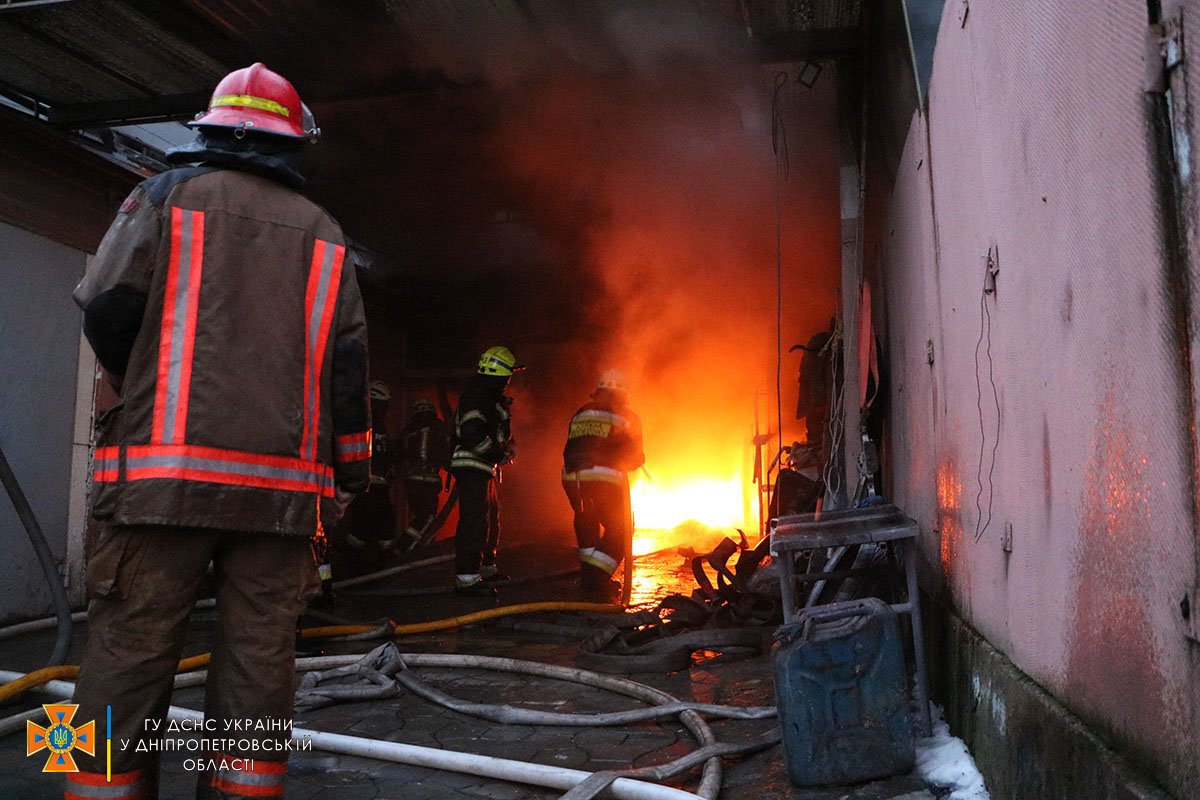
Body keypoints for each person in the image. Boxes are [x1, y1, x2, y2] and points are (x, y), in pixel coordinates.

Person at [67, 63, 370, 800]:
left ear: (210, 130)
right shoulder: (326, 235)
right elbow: (349, 373)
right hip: (278, 502)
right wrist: (350, 479)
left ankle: (87, 791)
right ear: (292, 144)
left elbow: (106, 307)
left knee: (119, 650)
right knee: (261, 663)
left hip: (158, 488)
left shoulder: (163, 196)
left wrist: (138, 390)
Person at [562, 369, 644, 602]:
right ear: (624, 392)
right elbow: (635, 456)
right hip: (604, 477)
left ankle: (589, 576)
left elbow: (575, 444)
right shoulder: (626, 415)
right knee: (621, 530)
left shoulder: (582, 412)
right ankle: (595, 580)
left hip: (572, 477)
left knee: (586, 522)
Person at [449, 346, 523, 596]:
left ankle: (486, 568)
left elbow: (496, 432)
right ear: (498, 374)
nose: (509, 381)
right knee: (474, 520)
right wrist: (498, 454)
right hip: (472, 465)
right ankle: (467, 579)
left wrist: (507, 445)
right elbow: (472, 434)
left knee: (490, 517)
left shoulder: (489, 398)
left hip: (483, 467)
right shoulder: (477, 397)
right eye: (508, 376)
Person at [398, 397, 451, 552]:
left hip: (411, 480)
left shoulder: (409, 429)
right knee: (427, 517)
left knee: (421, 517)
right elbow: (445, 452)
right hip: (426, 480)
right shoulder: (437, 427)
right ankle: (403, 550)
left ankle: (420, 548)